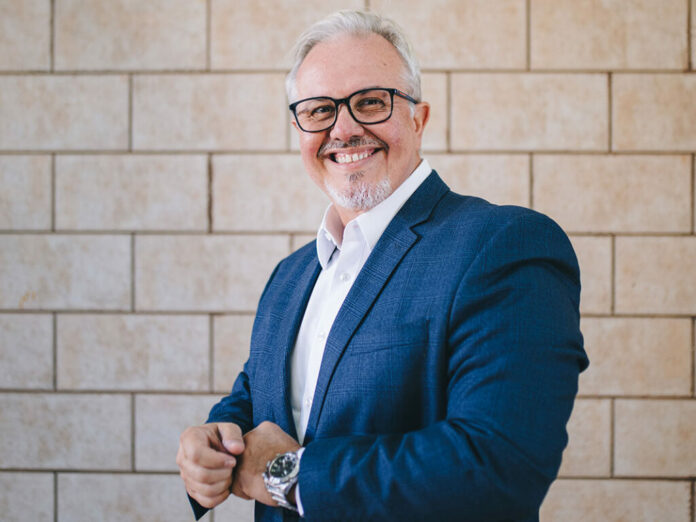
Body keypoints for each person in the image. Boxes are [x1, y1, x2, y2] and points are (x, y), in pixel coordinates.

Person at [177, 10, 588, 522]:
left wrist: (287, 474)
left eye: (371, 102)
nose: (343, 129)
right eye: (319, 109)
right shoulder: (290, 277)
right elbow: (264, 403)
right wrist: (214, 444)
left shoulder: (504, 245)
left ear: (418, 119)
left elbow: (498, 466)